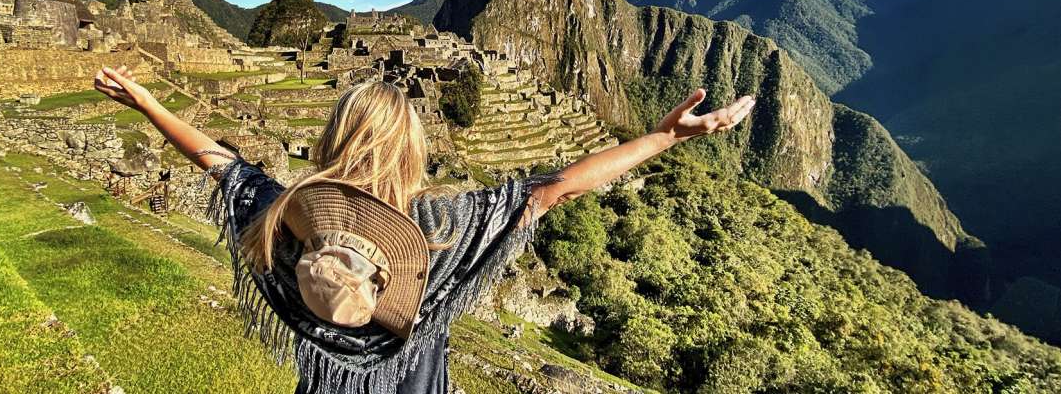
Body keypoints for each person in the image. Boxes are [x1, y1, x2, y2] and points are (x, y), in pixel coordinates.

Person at [93, 64, 754, 393]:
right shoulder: (439, 229)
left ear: (332, 137)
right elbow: (558, 187)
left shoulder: (284, 220)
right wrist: (663, 137)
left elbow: (219, 163)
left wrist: (148, 101)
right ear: (410, 150)